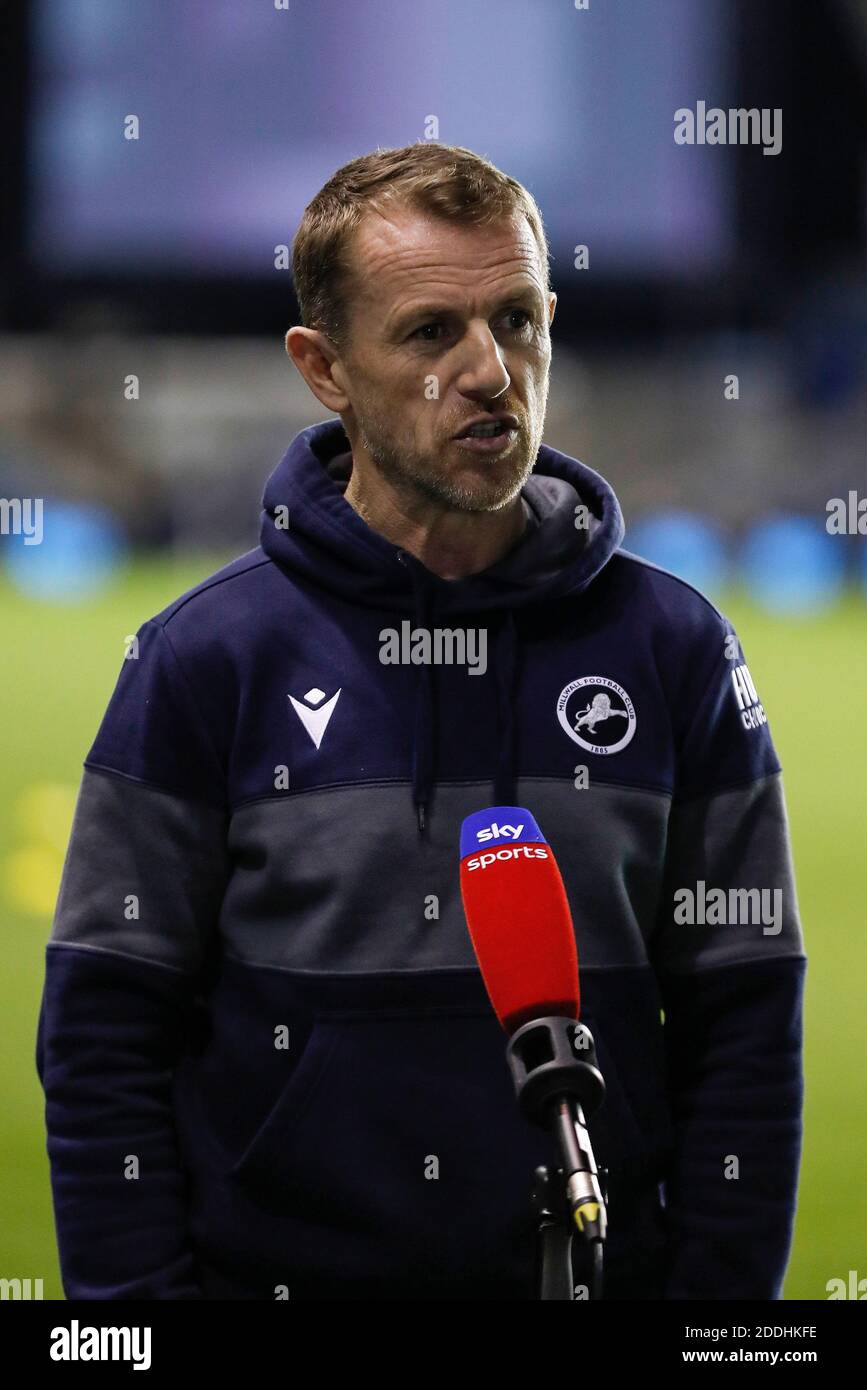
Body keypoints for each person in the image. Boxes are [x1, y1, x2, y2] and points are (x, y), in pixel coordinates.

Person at [36, 142, 806, 1300]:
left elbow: (746, 1021)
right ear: (325, 368)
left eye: (518, 319)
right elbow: (104, 1037)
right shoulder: (203, 660)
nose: (493, 369)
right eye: (430, 332)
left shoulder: (676, 650)